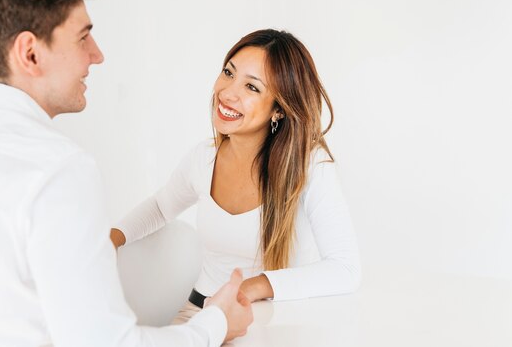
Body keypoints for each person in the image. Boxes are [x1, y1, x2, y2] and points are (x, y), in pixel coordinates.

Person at [0, 0, 252, 347]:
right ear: (30, 53)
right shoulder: (57, 171)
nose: (97, 54)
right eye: (82, 37)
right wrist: (216, 322)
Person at [111, 29, 361, 322]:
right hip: (198, 314)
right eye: (228, 73)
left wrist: (251, 287)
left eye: (252, 88)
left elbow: (345, 269)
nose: (228, 93)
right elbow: (160, 207)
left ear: (278, 109)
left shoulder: (311, 167)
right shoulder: (204, 157)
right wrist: (110, 241)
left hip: (269, 324)